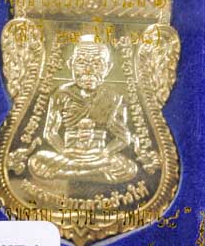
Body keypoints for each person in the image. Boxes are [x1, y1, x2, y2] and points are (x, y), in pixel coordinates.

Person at [28, 35, 137, 184]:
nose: (88, 70)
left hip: (98, 156)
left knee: (128, 168)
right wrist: (64, 151)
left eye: (97, 64)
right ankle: (92, 174)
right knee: (36, 161)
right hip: (69, 155)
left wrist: (105, 153)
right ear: (70, 64)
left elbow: (123, 138)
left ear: (108, 67)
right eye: (81, 62)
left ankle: (76, 173)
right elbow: (50, 132)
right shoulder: (61, 94)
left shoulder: (114, 98)